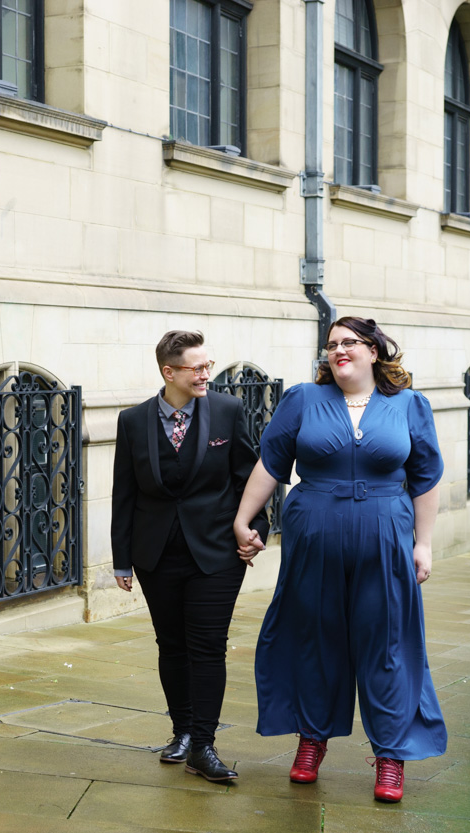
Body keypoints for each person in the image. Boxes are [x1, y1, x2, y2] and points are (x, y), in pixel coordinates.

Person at [232, 316, 445, 802]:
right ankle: (312, 739)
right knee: (315, 638)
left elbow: (426, 477)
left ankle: (390, 755)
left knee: (386, 643)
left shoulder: (409, 405)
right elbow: (271, 463)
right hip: (315, 538)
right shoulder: (304, 400)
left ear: (374, 351)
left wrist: (424, 543)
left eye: (350, 342)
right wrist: (244, 519)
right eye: (332, 344)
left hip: (385, 537)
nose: (339, 350)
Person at [112, 330, 271, 783]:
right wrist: (122, 558)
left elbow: (249, 476)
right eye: (197, 368)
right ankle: (180, 731)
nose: (206, 374)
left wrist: (256, 530)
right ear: (169, 372)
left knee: (207, 646)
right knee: (172, 645)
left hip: (218, 552)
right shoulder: (132, 420)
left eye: (208, 366)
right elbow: (123, 492)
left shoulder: (227, 410)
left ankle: (204, 745)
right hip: (155, 554)